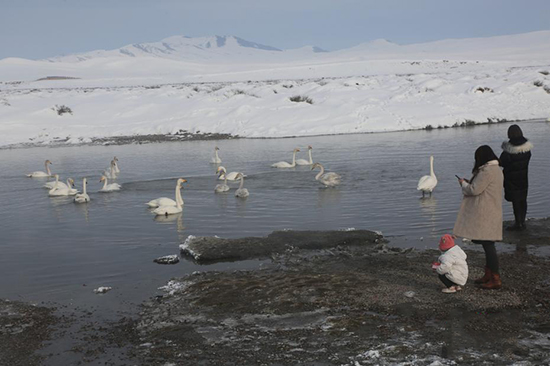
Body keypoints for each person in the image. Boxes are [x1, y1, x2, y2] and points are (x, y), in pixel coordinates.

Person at [454, 145, 503, 290]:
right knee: (487, 244)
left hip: (485, 213)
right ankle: (489, 275)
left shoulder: (487, 171)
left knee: (488, 245)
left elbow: (474, 190)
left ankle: (495, 277)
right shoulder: (497, 170)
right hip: (492, 211)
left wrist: (463, 184)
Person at [499, 125, 533, 231]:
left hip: (511, 179)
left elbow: (502, 162)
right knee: (523, 199)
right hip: (523, 178)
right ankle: (522, 221)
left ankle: (518, 223)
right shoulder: (527, 149)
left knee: (516, 201)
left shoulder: (508, 150)